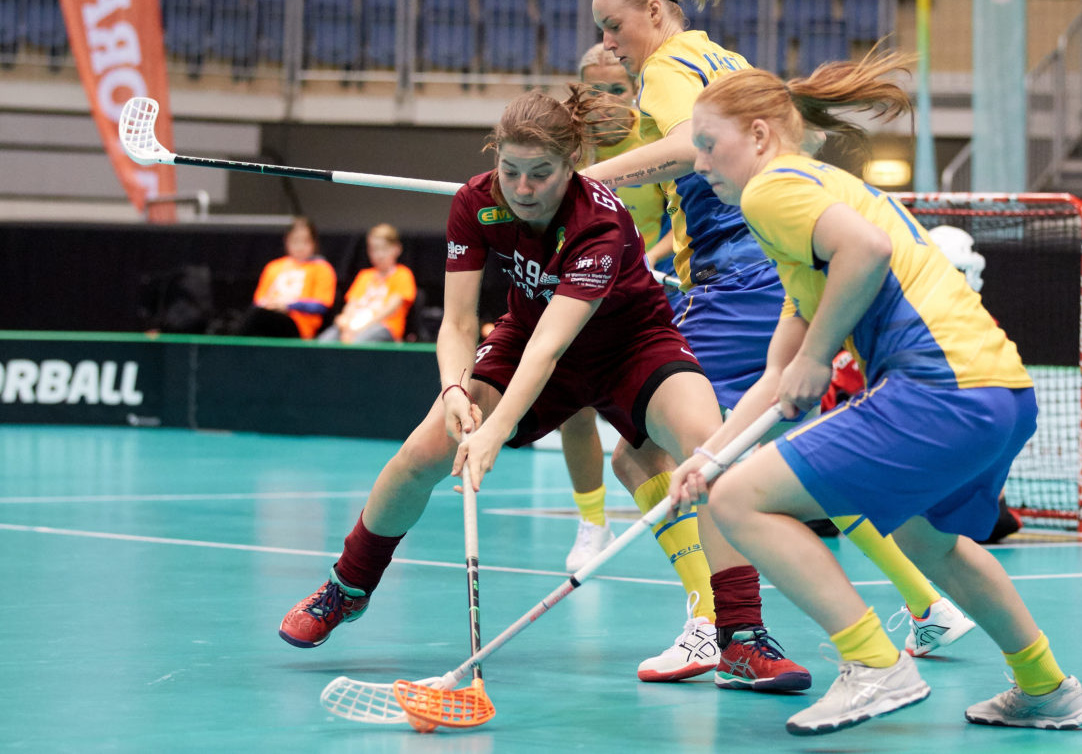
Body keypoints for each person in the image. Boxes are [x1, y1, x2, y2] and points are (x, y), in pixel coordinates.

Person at [276, 90, 807, 693]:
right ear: (494, 158)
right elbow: (455, 324)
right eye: (511, 171)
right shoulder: (477, 203)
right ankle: (348, 587)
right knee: (421, 453)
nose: (523, 188)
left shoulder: (599, 222)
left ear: (573, 162)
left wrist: (494, 435)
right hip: (524, 334)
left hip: (631, 344)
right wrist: (454, 389)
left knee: (705, 445)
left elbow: (551, 350)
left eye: (541, 174)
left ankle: (741, 638)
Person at [574, 0, 972, 682]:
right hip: (768, 273)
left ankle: (713, 624)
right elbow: (673, 202)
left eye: (612, 25)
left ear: (654, 14)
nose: (608, 41)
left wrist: (591, 180)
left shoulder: (670, 65)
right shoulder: (724, 59)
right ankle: (928, 603)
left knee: (657, 453)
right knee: (770, 459)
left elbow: (695, 143)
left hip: (740, 279)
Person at [668, 57, 1082, 735]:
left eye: (706, 142)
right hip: (1001, 392)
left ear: (756, 134)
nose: (696, 161)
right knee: (928, 540)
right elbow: (780, 380)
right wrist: (709, 453)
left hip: (939, 390)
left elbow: (863, 252)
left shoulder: (771, 191)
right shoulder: (819, 194)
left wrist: (816, 357)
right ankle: (1045, 685)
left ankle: (874, 664)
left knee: (739, 501)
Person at [819, 225, 1023, 546]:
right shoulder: (889, 328)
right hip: (888, 449)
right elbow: (831, 393)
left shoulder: (981, 328)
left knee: (988, 520)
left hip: (945, 446)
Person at [558, 43, 681, 573]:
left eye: (618, 89)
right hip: (585, 288)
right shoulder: (566, 147)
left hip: (653, 290)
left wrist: (650, 259)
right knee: (573, 408)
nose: (605, 100)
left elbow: (684, 217)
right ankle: (592, 523)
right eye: (594, 88)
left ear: (636, 89)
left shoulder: (655, 139)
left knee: (657, 424)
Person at [236, 217, 336, 339]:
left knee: (260, 317)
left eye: (305, 241)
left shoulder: (322, 268)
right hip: (268, 316)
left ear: (313, 243)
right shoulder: (274, 267)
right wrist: (272, 305)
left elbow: (321, 305)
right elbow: (258, 302)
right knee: (254, 317)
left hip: (299, 325)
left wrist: (288, 305)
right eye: (295, 241)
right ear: (287, 241)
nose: (300, 247)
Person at [318, 223, 417, 344]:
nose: (379, 255)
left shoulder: (403, 275)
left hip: (383, 326)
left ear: (397, 249)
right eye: (374, 249)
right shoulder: (364, 275)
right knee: (324, 342)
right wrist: (346, 322)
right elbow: (351, 304)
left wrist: (360, 329)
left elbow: (390, 309)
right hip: (353, 325)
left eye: (384, 249)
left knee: (359, 342)